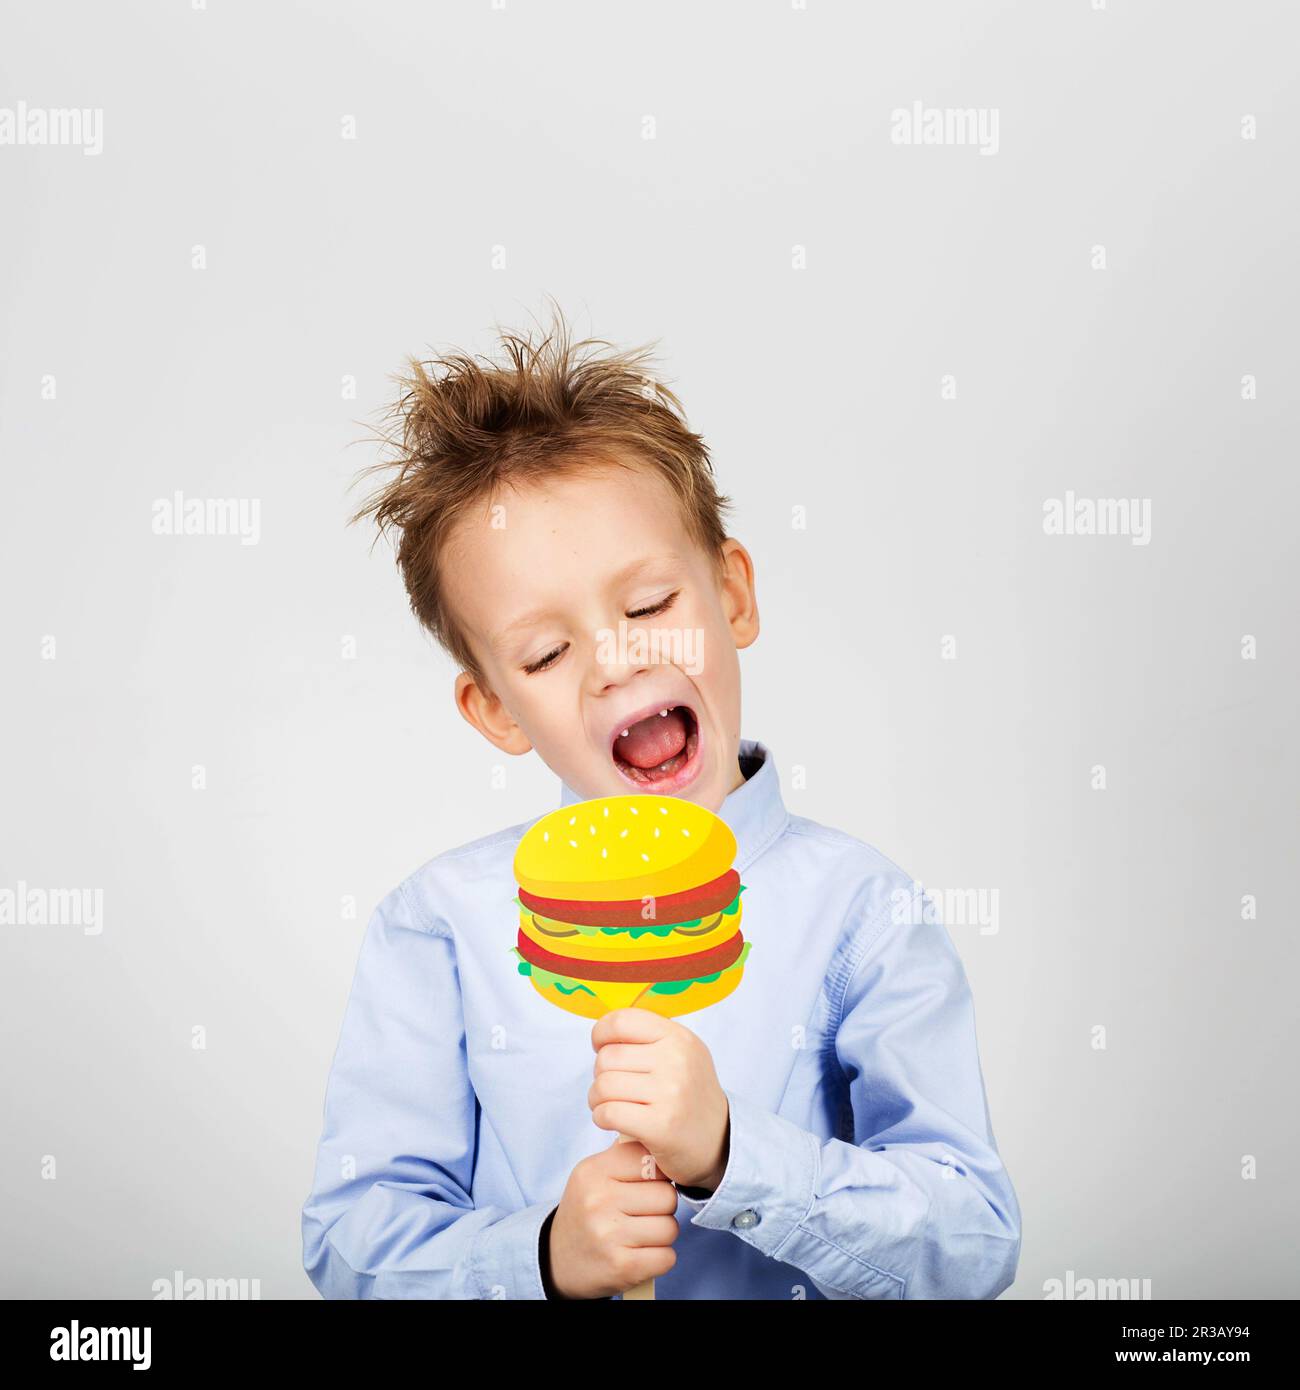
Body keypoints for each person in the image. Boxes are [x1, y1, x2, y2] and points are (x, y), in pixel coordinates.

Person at [300, 308, 1021, 1299]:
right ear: (496, 709)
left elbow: (972, 1242)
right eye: (545, 654)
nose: (616, 658)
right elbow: (353, 1239)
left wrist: (734, 1155)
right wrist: (541, 1255)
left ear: (731, 596)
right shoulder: (437, 925)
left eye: (648, 606)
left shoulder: (861, 909)